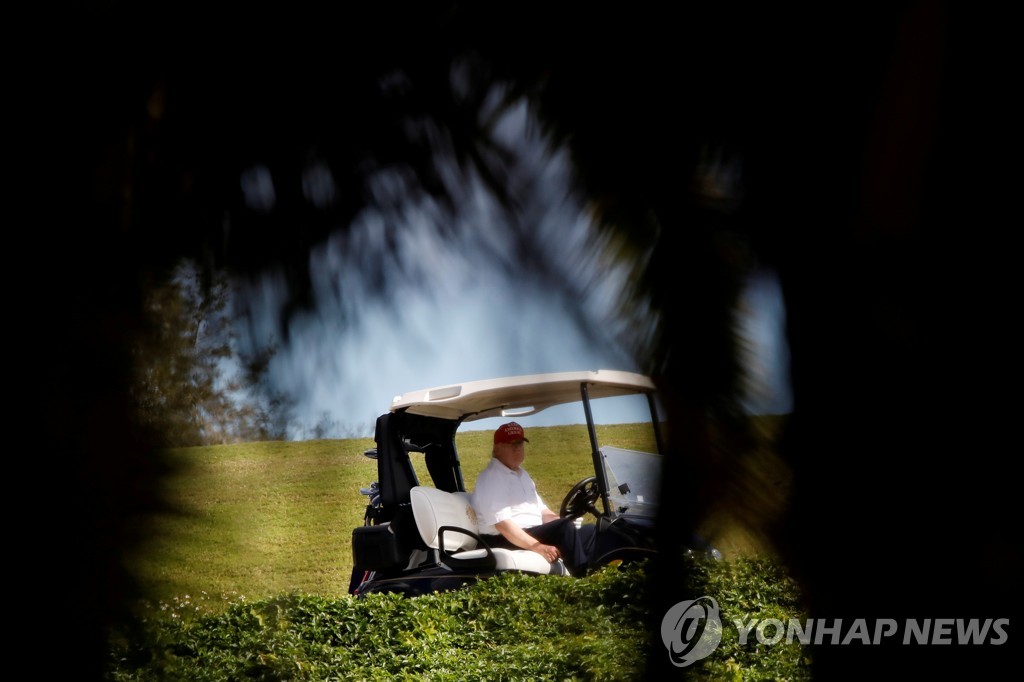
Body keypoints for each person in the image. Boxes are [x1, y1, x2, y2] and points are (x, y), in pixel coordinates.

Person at [471, 421, 596, 574]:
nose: (518, 449)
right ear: (497, 448)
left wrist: (563, 521)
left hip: (529, 532)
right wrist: (536, 546)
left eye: (520, 444)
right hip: (503, 539)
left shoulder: (522, 475)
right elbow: (502, 524)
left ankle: (593, 573)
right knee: (564, 528)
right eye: (512, 445)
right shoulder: (492, 477)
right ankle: (582, 581)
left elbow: (542, 511)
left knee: (590, 530)